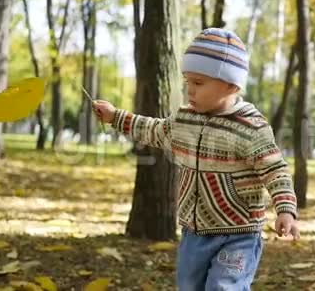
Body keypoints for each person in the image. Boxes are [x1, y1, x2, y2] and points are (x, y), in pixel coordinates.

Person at [93, 27, 300, 290]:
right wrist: (115, 117)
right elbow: (154, 130)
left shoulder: (251, 127)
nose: (190, 90)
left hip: (238, 233)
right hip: (194, 232)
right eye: (187, 81)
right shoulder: (185, 119)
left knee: (224, 287)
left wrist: (285, 209)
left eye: (199, 83)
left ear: (231, 85)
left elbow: (276, 170)